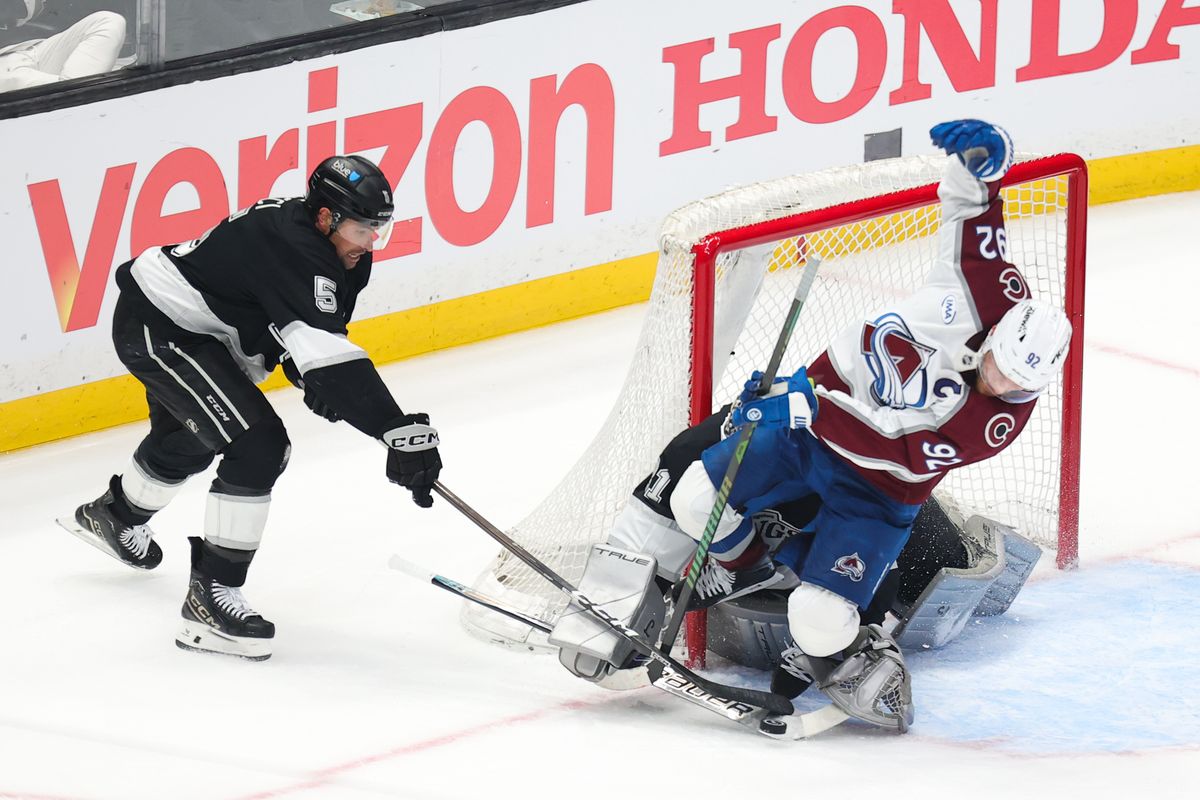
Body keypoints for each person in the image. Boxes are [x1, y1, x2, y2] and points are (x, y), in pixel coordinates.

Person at [548, 120, 1072, 731]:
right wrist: (977, 167)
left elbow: (892, 450)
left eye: (1018, 386)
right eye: (1000, 369)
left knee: (819, 618)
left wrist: (806, 406)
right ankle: (730, 573)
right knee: (694, 493)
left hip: (876, 494)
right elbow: (970, 218)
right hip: (802, 437)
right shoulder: (989, 294)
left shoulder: (993, 425)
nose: (1000, 386)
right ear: (1000, 333)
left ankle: (851, 654)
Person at [58, 155, 443, 661]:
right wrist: (394, 428)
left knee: (196, 437)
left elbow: (310, 335)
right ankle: (210, 602)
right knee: (258, 446)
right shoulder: (297, 246)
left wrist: (314, 375)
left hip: (202, 333)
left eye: (379, 230)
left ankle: (113, 516)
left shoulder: (341, 252)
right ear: (325, 217)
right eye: (361, 228)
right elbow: (325, 350)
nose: (370, 242)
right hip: (161, 327)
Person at [0, 1, 125, 92]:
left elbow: (26, 10)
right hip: (4, 70)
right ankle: (75, 93)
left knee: (108, 20)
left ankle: (73, 89)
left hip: (32, 49)